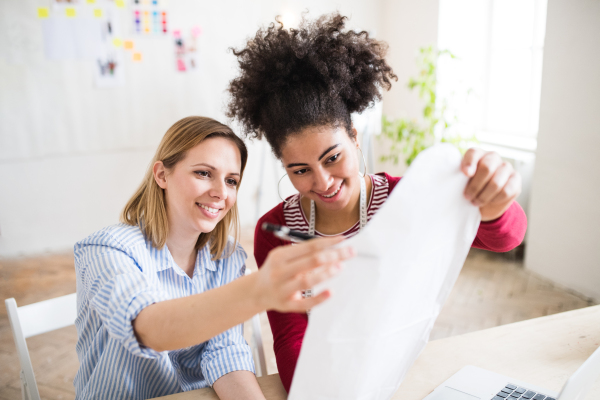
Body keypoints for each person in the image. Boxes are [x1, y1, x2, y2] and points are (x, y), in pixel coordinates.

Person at [227, 13, 528, 392]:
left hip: (402, 373)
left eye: (332, 157)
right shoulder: (275, 231)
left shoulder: (407, 198)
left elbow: (505, 239)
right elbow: (290, 338)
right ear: (283, 165)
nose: (323, 183)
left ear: (354, 137)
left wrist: (494, 201)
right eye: (300, 170)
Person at [73, 116, 355, 399]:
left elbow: (225, 354)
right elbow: (148, 330)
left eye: (231, 181)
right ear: (162, 175)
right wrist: (255, 291)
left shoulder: (227, 258)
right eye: (204, 173)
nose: (220, 193)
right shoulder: (107, 250)